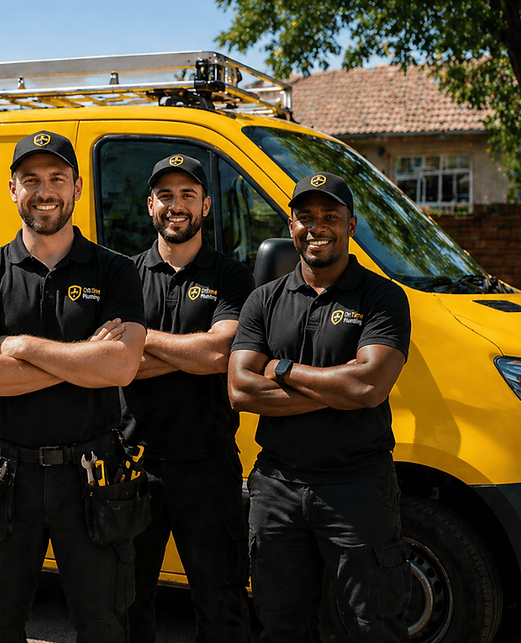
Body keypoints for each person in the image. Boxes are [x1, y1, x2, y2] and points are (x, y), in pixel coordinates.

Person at [0, 130, 147, 643]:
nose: (45, 191)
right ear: (12, 189)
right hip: (3, 477)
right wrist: (83, 359)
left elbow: (122, 367)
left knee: (104, 629)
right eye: (31, 179)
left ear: (77, 187)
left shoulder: (116, 271)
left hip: (93, 475)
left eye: (57, 178)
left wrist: (20, 346)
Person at [227, 172, 412, 642]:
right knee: (280, 626)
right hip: (277, 489)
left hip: (357, 488)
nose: (317, 227)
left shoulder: (382, 297)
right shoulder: (263, 300)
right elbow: (241, 391)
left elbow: (368, 387)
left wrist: (283, 369)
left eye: (330, 216)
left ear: (351, 224)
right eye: (305, 217)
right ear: (290, 226)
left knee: (372, 627)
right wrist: (335, 388)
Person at [121, 154, 253, 643]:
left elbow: (222, 352)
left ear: (206, 205)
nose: (176, 205)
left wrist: (140, 341)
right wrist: (192, 353)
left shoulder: (232, 276)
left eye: (187, 195)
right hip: (132, 465)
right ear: (150, 205)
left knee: (221, 605)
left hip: (208, 466)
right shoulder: (124, 275)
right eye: (166, 195)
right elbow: (113, 362)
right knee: (126, 604)